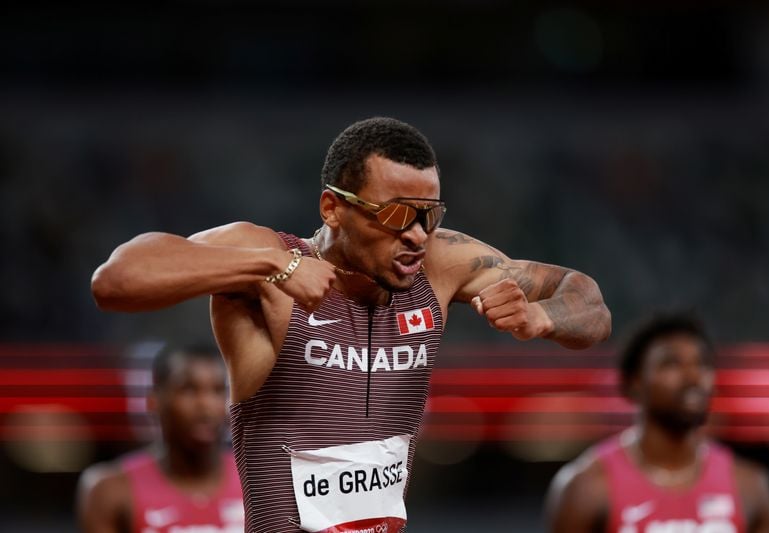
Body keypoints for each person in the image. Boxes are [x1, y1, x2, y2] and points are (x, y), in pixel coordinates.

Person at [91, 116, 611, 532]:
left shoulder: (442, 263)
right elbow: (116, 281)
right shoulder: (268, 259)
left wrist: (541, 317)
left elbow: (588, 302)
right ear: (332, 208)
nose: (416, 235)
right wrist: (273, 267)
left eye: (429, 214)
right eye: (395, 216)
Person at [545, 312, 769, 533]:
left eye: (703, 363)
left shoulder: (750, 486)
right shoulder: (586, 488)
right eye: (671, 364)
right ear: (634, 382)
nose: (693, 377)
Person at [76, 344, 244, 533]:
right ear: (154, 402)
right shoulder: (110, 490)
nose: (206, 405)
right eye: (188, 389)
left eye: (218, 390)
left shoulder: (260, 481)